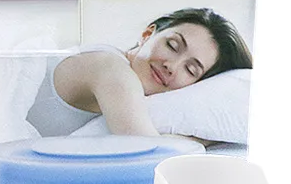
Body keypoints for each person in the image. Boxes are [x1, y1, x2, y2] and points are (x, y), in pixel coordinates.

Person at [25, 7, 252, 138]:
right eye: (172, 46)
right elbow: (144, 155)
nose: (171, 66)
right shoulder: (112, 69)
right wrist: (201, 140)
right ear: (147, 34)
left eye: (190, 69)